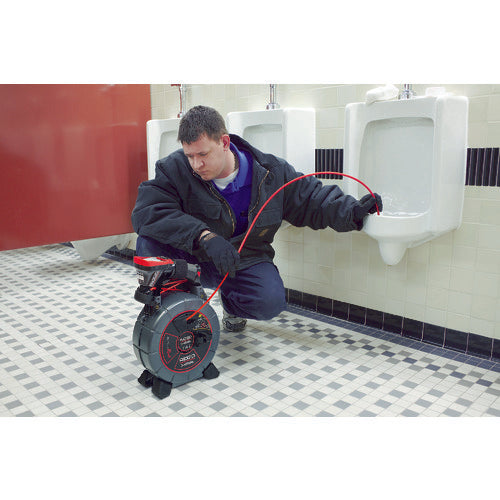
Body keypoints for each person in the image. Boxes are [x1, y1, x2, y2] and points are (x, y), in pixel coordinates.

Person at [132, 105, 382, 332]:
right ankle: (178, 307)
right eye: (190, 156)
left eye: (203, 154)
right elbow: (148, 212)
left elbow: (311, 198)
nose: (196, 164)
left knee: (269, 302)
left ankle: (230, 304)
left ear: (224, 142)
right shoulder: (174, 168)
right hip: (195, 256)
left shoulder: (271, 173)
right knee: (149, 241)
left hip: (243, 259)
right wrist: (202, 236)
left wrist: (353, 211)